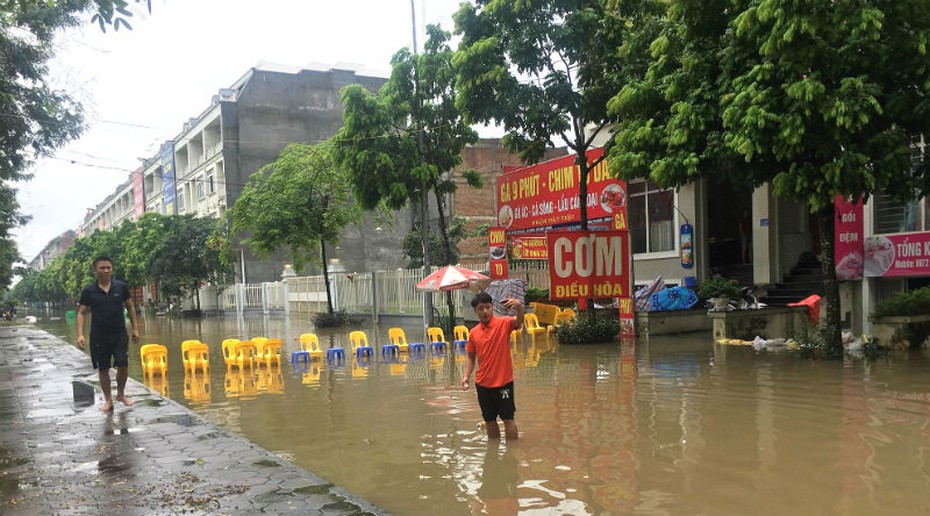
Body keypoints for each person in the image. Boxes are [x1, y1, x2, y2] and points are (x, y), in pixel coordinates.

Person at [76, 256, 139, 413]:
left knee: (123, 364)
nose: (106, 270)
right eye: (102, 268)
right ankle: (108, 400)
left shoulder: (121, 287)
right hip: (99, 335)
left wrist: (135, 329)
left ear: (112, 269)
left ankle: (121, 395)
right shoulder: (89, 290)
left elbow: (130, 307)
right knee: (103, 368)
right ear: (95, 270)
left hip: (119, 333)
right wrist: (80, 334)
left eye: (108, 267)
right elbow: (82, 313)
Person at [460, 291, 524, 440]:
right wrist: (465, 376)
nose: (485, 311)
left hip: (504, 383)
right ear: (475, 312)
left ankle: (511, 455)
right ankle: (493, 454)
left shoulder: (504, 324)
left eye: (488, 307)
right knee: (489, 421)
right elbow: (470, 356)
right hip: (483, 384)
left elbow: (519, 321)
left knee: (508, 419)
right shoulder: (474, 333)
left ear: (492, 307)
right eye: (480, 308)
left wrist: (519, 307)